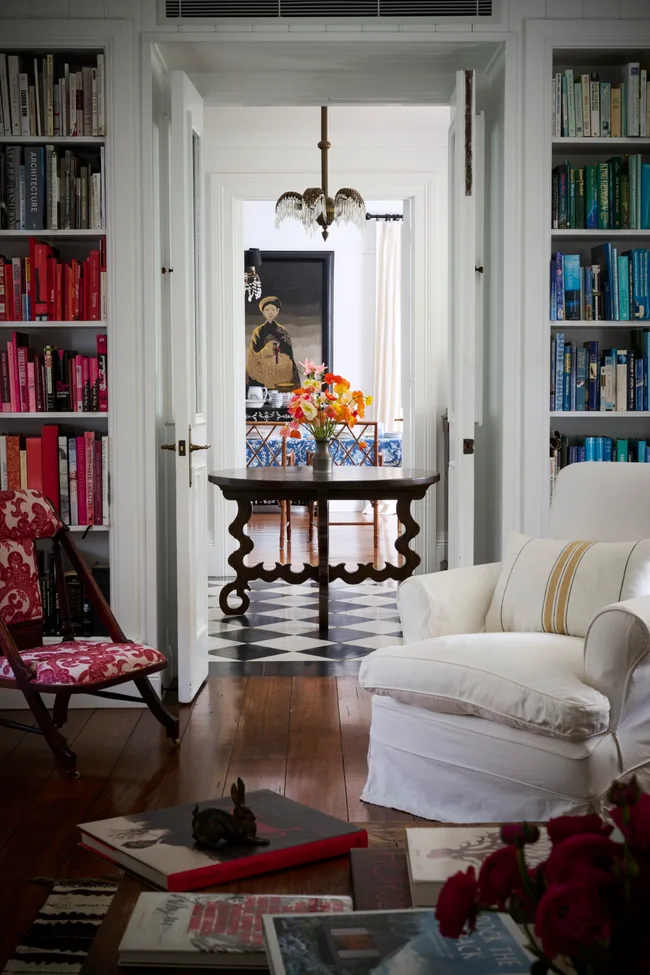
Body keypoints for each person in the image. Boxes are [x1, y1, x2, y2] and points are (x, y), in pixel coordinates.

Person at [246, 296, 300, 390]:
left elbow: (288, 353)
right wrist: (266, 349)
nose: (270, 312)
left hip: (280, 369)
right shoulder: (258, 331)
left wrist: (278, 351)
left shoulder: (282, 330)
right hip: (262, 370)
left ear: (277, 311)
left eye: (273, 309)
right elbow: (254, 354)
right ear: (263, 312)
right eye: (267, 310)